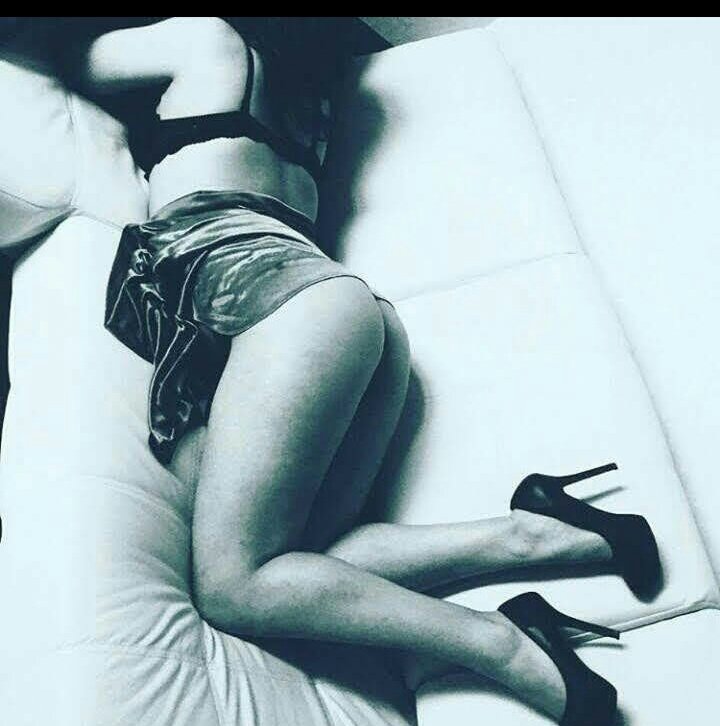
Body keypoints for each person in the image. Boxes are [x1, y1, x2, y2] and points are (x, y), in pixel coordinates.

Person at [80, 17, 661, 725]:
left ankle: (503, 642)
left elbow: (67, 59)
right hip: (351, 318)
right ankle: (541, 532)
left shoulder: (205, 44)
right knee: (307, 557)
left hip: (287, 311)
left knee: (233, 586)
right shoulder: (309, 104)